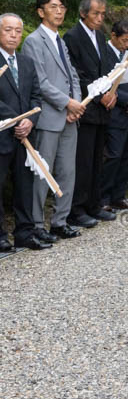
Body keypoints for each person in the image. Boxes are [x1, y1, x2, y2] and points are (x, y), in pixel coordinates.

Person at [21, 0, 85, 242]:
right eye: (53, 7)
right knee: (43, 173)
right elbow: (41, 82)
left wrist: (76, 104)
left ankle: (60, 221)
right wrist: (67, 103)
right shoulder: (34, 41)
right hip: (48, 117)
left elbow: (73, 76)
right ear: (40, 11)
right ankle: (37, 224)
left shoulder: (60, 39)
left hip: (70, 117)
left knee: (68, 172)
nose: (59, 11)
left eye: (62, 7)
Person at [65, 0, 119, 225]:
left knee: (99, 159)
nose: (100, 18)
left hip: (103, 108)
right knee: (83, 161)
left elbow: (106, 69)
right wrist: (99, 96)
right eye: (95, 13)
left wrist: (113, 91)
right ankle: (77, 210)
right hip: (86, 107)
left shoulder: (100, 35)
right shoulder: (72, 36)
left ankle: (94, 204)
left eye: (102, 14)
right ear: (83, 12)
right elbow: (77, 74)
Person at [0, 14, 44, 251]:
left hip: (25, 135)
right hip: (2, 133)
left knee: (25, 185)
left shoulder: (27, 62)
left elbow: (36, 96)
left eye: (18, 31)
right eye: (8, 30)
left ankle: (25, 233)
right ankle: (0, 237)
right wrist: (14, 119)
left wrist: (30, 120)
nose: (13, 35)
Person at [101, 20, 128, 210]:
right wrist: (127, 99)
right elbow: (106, 83)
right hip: (114, 112)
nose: (126, 45)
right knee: (113, 156)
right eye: (123, 41)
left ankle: (118, 196)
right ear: (113, 36)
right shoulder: (105, 53)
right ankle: (103, 198)